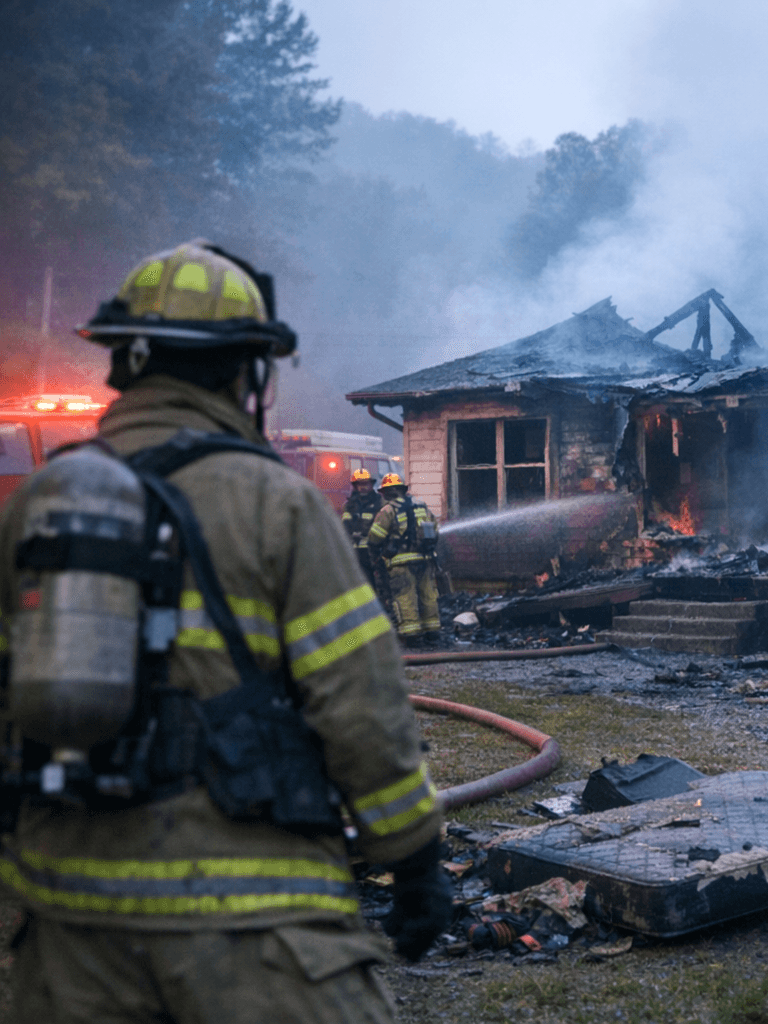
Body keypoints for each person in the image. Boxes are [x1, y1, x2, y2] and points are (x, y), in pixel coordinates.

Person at [0, 240, 451, 1023]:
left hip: (67, 930)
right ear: (247, 370)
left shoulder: (40, 507)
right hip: (250, 922)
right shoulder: (277, 505)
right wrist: (412, 857)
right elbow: (361, 704)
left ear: (121, 366)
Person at [368, 473, 441, 646]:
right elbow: (435, 531)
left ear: (386, 492)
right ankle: (432, 635)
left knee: (405, 598)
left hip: (400, 564)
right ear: (402, 489)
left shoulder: (388, 510)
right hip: (425, 560)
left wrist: (376, 555)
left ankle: (412, 637)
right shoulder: (421, 505)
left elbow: (375, 537)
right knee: (428, 596)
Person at [342, 467, 388, 599]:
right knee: (360, 584)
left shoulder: (380, 502)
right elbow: (345, 525)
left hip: (375, 550)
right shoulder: (349, 505)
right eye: (360, 484)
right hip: (356, 552)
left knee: (381, 583)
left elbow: (385, 524)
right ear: (355, 486)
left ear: (371, 485)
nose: (363, 487)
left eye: (366, 484)